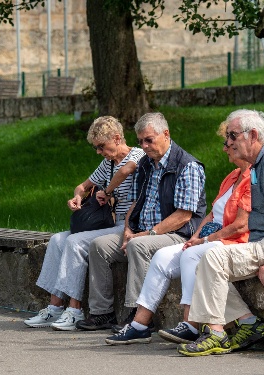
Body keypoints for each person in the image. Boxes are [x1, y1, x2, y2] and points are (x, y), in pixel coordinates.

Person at [177, 109, 264, 357]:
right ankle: (248, 323)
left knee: (212, 258)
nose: (227, 142)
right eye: (227, 137)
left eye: (232, 135)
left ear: (252, 135)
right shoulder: (260, 163)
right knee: (203, 260)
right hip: (263, 240)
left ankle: (216, 333)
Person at [105, 121, 252, 345]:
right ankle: (139, 325)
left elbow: (239, 225)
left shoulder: (248, 177)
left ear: (166, 134)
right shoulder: (232, 176)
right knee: (163, 257)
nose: (224, 148)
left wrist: (201, 239)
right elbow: (212, 214)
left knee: (189, 255)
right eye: (140, 141)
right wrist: (197, 237)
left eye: (229, 142)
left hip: (230, 241)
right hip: (209, 238)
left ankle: (191, 324)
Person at [75, 112, 207, 332]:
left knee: (138, 246)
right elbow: (135, 204)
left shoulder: (187, 166)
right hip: (142, 232)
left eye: (149, 140)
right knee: (98, 246)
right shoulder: (146, 164)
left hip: (177, 234)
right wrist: (127, 229)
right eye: (141, 142)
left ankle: (138, 318)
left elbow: (183, 216)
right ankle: (101, 313)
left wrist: (147, 235)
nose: (144, 146)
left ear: (166, 134)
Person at [24, 116, 144, 330]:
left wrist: (107, 192)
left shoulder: (138, 154)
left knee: (75, 242)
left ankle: (75, 310)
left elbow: (126, 171)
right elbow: (82, 186)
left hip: (129, 226)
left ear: (117, 138)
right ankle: (55, 307)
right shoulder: (107, 163)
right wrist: (77, 197)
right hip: (109, 225)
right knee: (57, 240)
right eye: (96, 147)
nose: (99, 151)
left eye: (101, 146)